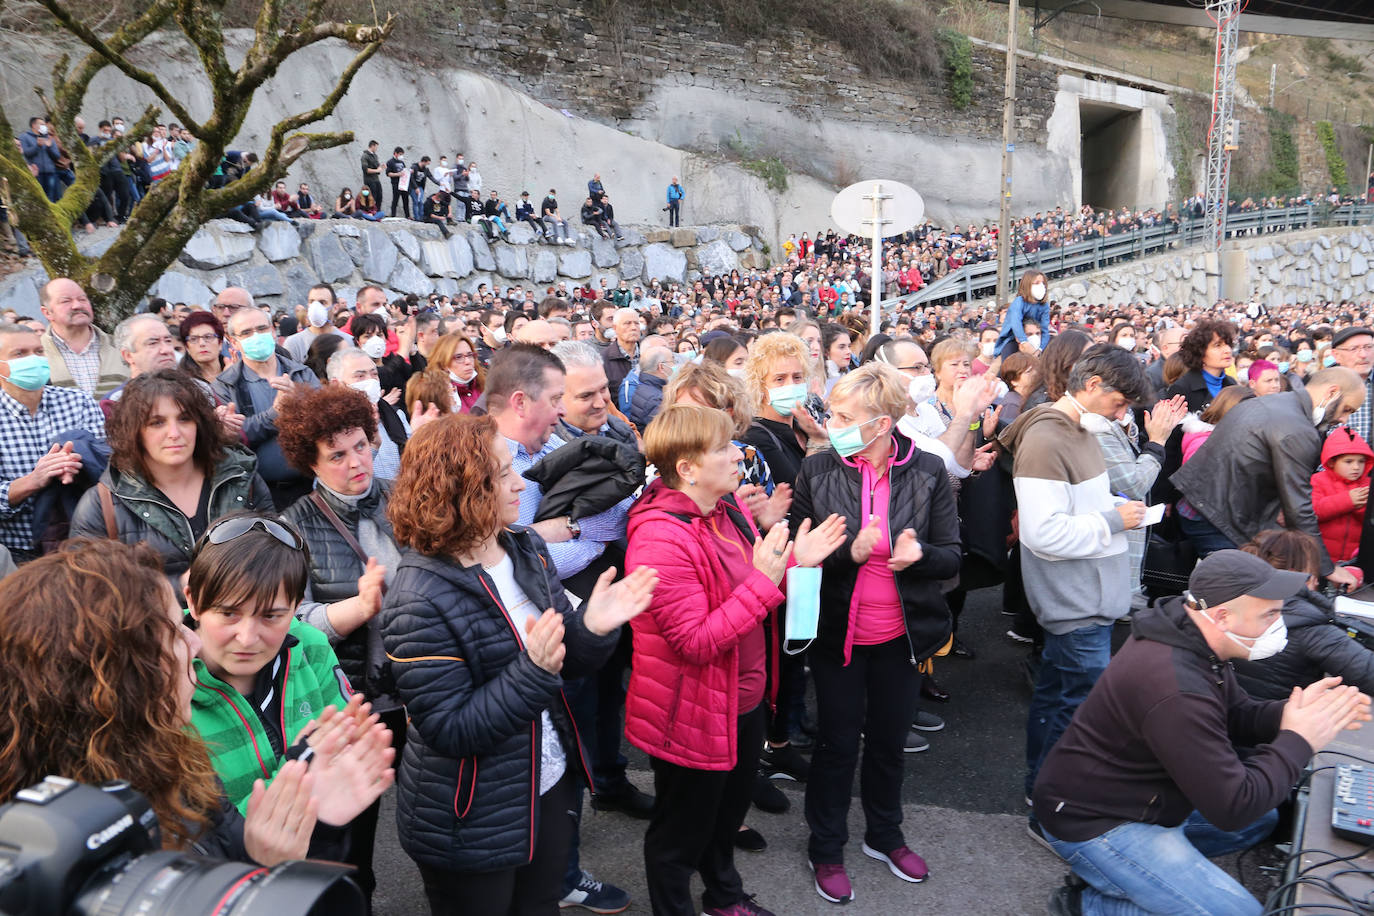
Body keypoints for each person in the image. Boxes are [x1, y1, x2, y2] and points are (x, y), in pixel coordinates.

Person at [380, 412, 657, 916]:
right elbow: (450, 729)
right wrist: (534, 670)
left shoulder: (523, 546)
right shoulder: (417, 597)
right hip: (470, 812)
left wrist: (593, 627)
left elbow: (566, 658)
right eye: (502, 473)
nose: (521, 483)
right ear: (459, 489)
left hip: (547, 781)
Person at [0, 538, 394, 866]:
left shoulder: (171, 765)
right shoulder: (47, 857)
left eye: (272, 615)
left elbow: (230, 853)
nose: (193, 641)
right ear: (115, 678)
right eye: (175, 630)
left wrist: (305, 831)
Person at [1032, 549, 1370, 916]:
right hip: (1095, 821)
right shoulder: (1176, 688)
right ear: (1223, 616)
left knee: (1262, 818)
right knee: (1238, 913)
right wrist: (1299, 739)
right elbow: (1233, 807)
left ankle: (1131, 879)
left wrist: (1292, 713)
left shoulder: (1187, 633)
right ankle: (1088, 903)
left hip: (1141, 797)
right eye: (1270, 615)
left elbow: (1237, 715)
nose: (1280, 625)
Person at [626, 403, 845, 916]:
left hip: (742, 699)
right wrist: (768, 578)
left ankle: (723, 897)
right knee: (680, 835)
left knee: (724, 818)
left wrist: (796, 562)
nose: (737, 455)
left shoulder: (725, 511)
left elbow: (750, 591)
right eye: (723, 448)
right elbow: (696, 642)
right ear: (687, 468)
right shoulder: (659, 537)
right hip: (692, 710)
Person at [789, 363, 962, 903]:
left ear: (882, 423)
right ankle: (826, 846)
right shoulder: (816, 469)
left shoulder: (928, 469)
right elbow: (798, 557)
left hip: (902, 638)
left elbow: (952, 557)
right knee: (837, 745)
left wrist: (920, 555)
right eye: (833, 413)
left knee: (889, 744)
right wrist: (850, 553)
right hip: (837, 635)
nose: (832, 425)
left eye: (845, 417)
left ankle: (885, 835)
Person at [999, 344, 1151, 810]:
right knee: (1074, 707)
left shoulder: (1079, 428)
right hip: (1076, 599)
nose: (1122, 415)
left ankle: (1044, 791)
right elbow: (1043, 533)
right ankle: (1052, 801)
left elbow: (1071, 510)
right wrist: (1114, 520)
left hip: (1086, 595)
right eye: (1119, 403)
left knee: (1060, 699)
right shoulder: (1049, 438)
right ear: (1091, 385)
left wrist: (1112, 512)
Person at [69, 369, 270, 591]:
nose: (174, 433)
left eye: (185, 419)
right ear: (134, 431)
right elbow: (87, 591)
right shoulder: (102, 503)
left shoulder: (242, 479)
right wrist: (180, 586)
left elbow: (277, 560)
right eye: (157, 422)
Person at [1172, 367, 1364, 586]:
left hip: (1203, 506)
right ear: (1332, 392)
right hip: (1215, 515)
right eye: (1346, 409)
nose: (1343, 419)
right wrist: (1325, 566)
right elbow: (1299, 506)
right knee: (1239, 592)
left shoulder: (1272, 403)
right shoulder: (1297, 428)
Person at [0, 320, 107, 564]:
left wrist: (79, 463)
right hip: (15, 555)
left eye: (38, 351)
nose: (33, 360)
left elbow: (109, 465)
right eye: (20, 354)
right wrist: (32, 481)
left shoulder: (78, 402)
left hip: (84, 549)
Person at [1232, 529, 1374, 699]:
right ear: (1297, 575)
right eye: (1314, 573)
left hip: (1227, 708)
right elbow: (1369, 673)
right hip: (1283, 712)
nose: (1317, 581)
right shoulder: (1309, 627)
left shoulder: (1227, 601)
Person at [213, 307, 321, 510]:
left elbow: (326, 421)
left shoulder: (301, 373)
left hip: (312, 487)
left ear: (273, 332)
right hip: (257, 495)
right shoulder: (225, 385)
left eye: (262, 329)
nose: (256, 336)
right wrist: (275, 414)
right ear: (233, 342)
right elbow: (232, 438)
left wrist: (301, 402)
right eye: (246, 333)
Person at [39, 278, 128, 399]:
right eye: (66, 301)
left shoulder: (122, 347)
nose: (77, 305)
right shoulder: (35, 353)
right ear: (47, 312)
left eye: (82, 299)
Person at [1311, 426, 1373, 568]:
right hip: (1322, 557)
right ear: (1331, 462)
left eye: (1361, 461)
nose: (1356, 467)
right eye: (1348, 461)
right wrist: (1348, 501)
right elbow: (1314, 511)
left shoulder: (1368, 484)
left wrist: (1362, 508)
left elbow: (1370, 522)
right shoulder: (1318, 480)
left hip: (1356, 558)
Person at [1330, 325, 1374, 444]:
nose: (1363, 355)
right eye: (1354, 349)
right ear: (1336, 355)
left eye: (1368, 347)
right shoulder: (1322, 386)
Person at [994, 272, 1050, 359]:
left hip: (1036, 337)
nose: (1041, 286)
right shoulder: (1019, 302)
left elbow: (1045, 328)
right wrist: (1024, 342)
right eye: (1037, 283)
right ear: (1028, 285)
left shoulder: (1044, 305)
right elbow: (1016, 323)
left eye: (1043, 283)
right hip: (1013, 338)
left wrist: (1040, 348)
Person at [179, 311, 227, 383]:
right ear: (187, 347)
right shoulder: (180, 382)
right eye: (194, 339)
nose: (202, 343)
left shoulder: (235, 372)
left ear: (220, 343)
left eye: (208, 337)